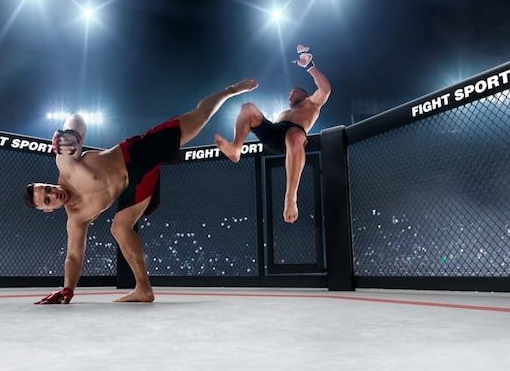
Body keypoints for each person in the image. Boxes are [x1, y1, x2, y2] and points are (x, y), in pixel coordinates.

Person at [25, 78, 258, 304]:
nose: (53, 194)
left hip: (135, 154)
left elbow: (77, 119)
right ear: (48, 210)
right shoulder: (77, 219)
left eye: (48, 188)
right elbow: (74, 256)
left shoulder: (66, 163)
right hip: (134, 188)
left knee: (199, 116)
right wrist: (67, 290)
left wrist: (69, 134)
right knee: (119, 228)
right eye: (47, 200)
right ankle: (143, 289)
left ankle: (230, 90)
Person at [214, 44, 332, 223]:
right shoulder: (284, 112)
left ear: (304, 94)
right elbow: (267, 126)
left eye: (293, 93)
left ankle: (290, 198)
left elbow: (325, 89)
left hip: (292, 138)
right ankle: (236, 147)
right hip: (274, 134)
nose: (289, 96)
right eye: (289, 95)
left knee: (295, 135)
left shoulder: (312, 103)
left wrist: (309, 66)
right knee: (248, 108)